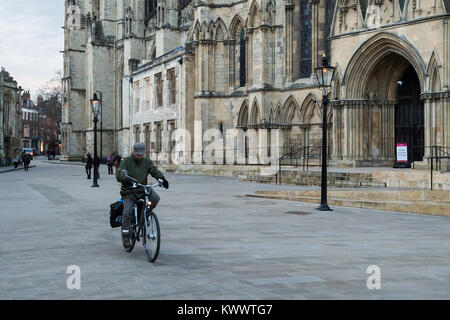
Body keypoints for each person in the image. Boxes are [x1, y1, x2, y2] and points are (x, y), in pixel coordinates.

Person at [116, 143, 169, 250]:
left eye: (141, 155)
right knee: (127, 211)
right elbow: (119, 174)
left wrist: (162, 179)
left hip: (142, 189)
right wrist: (123, 175)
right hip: (129, 191)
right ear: (133, 152)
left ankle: (145, 215)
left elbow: (154, 170)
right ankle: (126, 235)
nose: (139, 156)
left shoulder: (146, 161)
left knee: (155, 198)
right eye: (138, 154)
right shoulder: (126, 161)